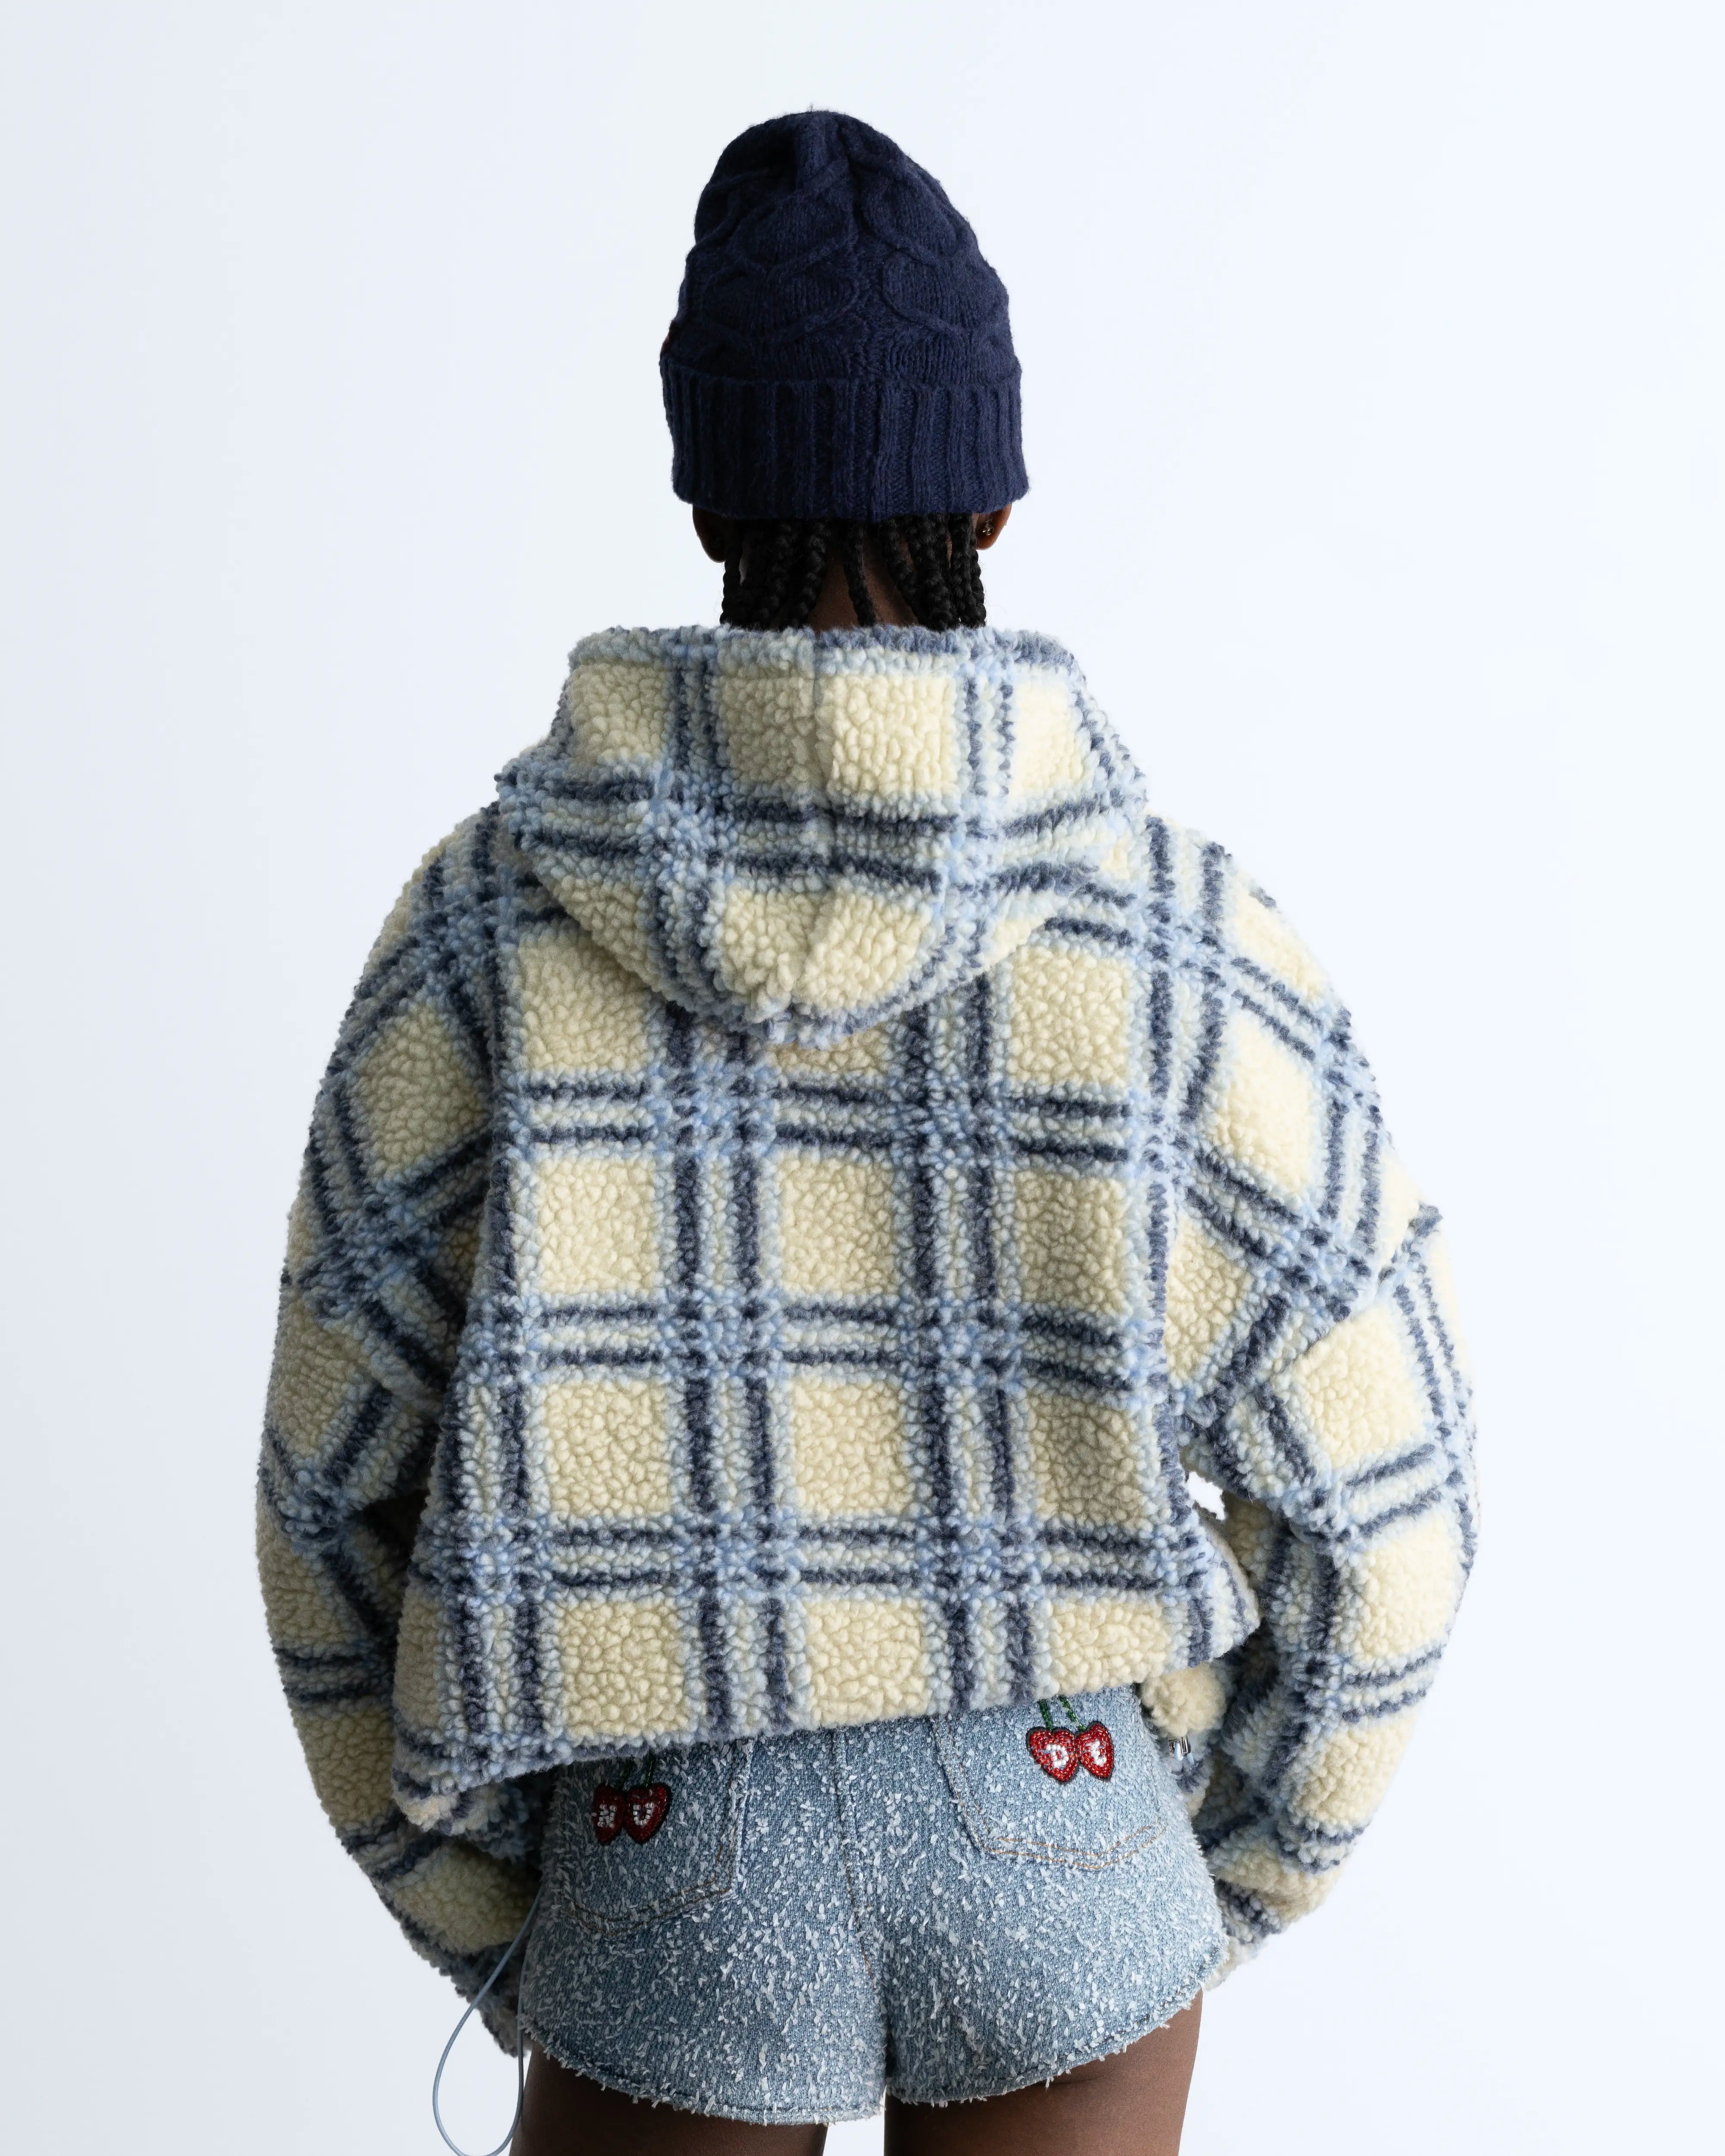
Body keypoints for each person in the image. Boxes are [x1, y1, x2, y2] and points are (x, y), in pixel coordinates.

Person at [257, 111, 1476, 2156]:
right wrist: (1217, 1874)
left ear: (705, 489)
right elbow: (1391, 1496)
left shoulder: (484, 927)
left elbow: (328, 1492)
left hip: (659, 1838)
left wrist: (490, 1904)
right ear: (990, 497)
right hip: (1069, 1816)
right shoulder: (1177, 935)